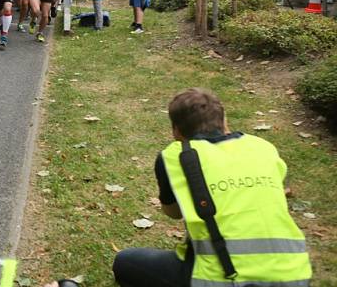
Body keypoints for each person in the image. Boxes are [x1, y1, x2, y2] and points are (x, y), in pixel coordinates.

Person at [113, 88, 311, 287]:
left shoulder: (175, 156)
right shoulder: (263, 147)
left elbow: (173, 212)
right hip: (295, 275)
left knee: (125, 261)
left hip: (221, 279)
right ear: (225, 122)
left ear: (176, 131)